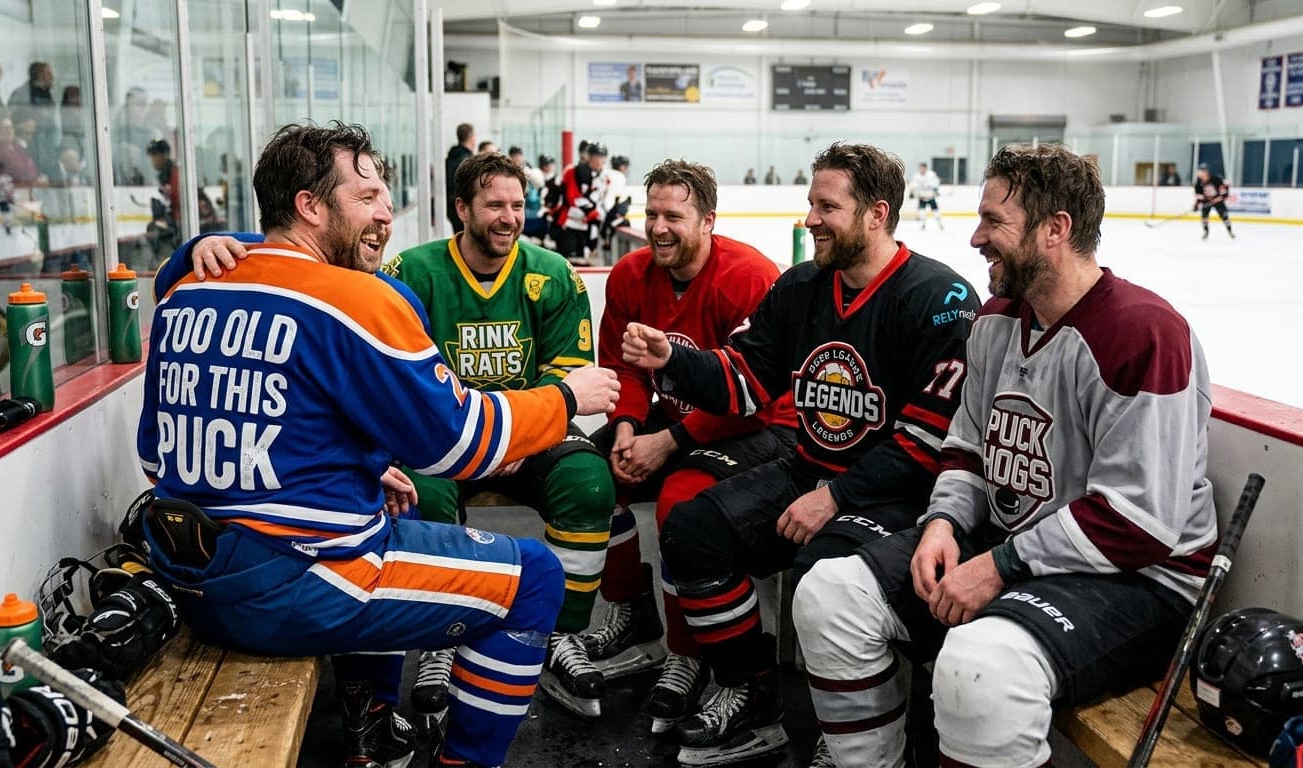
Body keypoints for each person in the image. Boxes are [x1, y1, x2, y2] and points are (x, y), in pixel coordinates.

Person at [139, 121, 621, 768]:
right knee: (533, 580)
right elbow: (460, 445)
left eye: (386, 197)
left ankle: (374, 730)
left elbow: (158, 454)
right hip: (293, 588)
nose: (387, 213)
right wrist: (567, 400)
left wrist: (362, 469)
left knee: (392, 504)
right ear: (310, 206)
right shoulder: (357, 298)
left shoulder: (185, 291)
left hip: (185, 574)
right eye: (367, 197)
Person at [792, 143, 1217, 768]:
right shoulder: (995, 321)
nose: (974, 239)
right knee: (830, 594)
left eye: (994, 222)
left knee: (979, 670)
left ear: (1055, 230)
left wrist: (998, 565)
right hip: (1021, 544)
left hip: (1142, 578)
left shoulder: (1143, 333)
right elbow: (966, 448)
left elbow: (1137, 522)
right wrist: (943, 524)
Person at [620, 142, 980, 766]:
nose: (809, 218)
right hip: (807, 470)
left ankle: (853, 741)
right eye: (810, 203)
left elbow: (928, 441)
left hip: (895, 496)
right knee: (694, 528)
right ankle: (754, 695)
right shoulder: (803, 286)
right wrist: (674, 360)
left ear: (876, 212)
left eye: (825, 206)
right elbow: (746, 383)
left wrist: (835, 498)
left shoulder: (938, 297)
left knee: (824, 574)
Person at [382, 151, 617, 722]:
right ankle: (440, 635)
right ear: (461, 209)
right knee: (424, 498)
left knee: (589, 483)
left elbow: (570, 374)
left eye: (517, 204)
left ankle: (561, 636)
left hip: (529, 434)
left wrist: (518, 436)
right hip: (443, 437)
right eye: (494, 205)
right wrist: (480, 436)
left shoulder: (551, 272)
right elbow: (399, 378)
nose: (509, 216)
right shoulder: (411, 272)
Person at [583, 159, 797, 733]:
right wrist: (628, 425)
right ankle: (630, 610)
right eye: (651, 213)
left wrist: (668, 441)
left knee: (682, 501)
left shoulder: (747, 277)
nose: (658, 227)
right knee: (591, 475)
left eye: (673, 216)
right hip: (665, 419)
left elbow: (755, 395)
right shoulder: (631, 275)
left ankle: (687, 651)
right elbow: (622, 367)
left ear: (708, 221)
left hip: (760, 427)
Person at [551, 141, 609, 264]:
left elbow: (601, 201)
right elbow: (572, 198)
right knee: (566, 263)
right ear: (589, 157)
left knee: (583, 264)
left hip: (586, 227)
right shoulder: (573, 172)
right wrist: (592, 211)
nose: (599, 161)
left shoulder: (604, 178)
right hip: (568, 225)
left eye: (602, 157)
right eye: (596, 156)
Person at [445, 122, 475, 233]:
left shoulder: (451, 157)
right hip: (463, 206)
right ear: (472, 137)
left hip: (452, 207)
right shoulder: (467, 160)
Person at [1194, 163, 1234, 240]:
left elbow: (1225, 194)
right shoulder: (1198, 182)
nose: (1200, 173)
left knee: (1224, 216)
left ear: (1206, 172)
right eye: (1199, 171)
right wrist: (1196, 204)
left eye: (1202, 171)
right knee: (1204, 217)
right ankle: (1206, 232)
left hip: (1218, 200)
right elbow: (1199, 195)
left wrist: (1215, 200)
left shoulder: (1216, 179)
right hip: (1206, 201)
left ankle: (1230, 231)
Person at [910, 162, 944, 231]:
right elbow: (913, 185)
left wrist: (936, 190)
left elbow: (937, 182)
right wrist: (912, 193)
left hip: (930, 196)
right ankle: (923, 225)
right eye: (920, 168)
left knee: (936, 212)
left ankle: (940, 224)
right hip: (922, 197)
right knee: (922, 212)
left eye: (923, 168)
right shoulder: (916, 176)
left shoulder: (931, 174)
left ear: (926, 168)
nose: (921, 169)